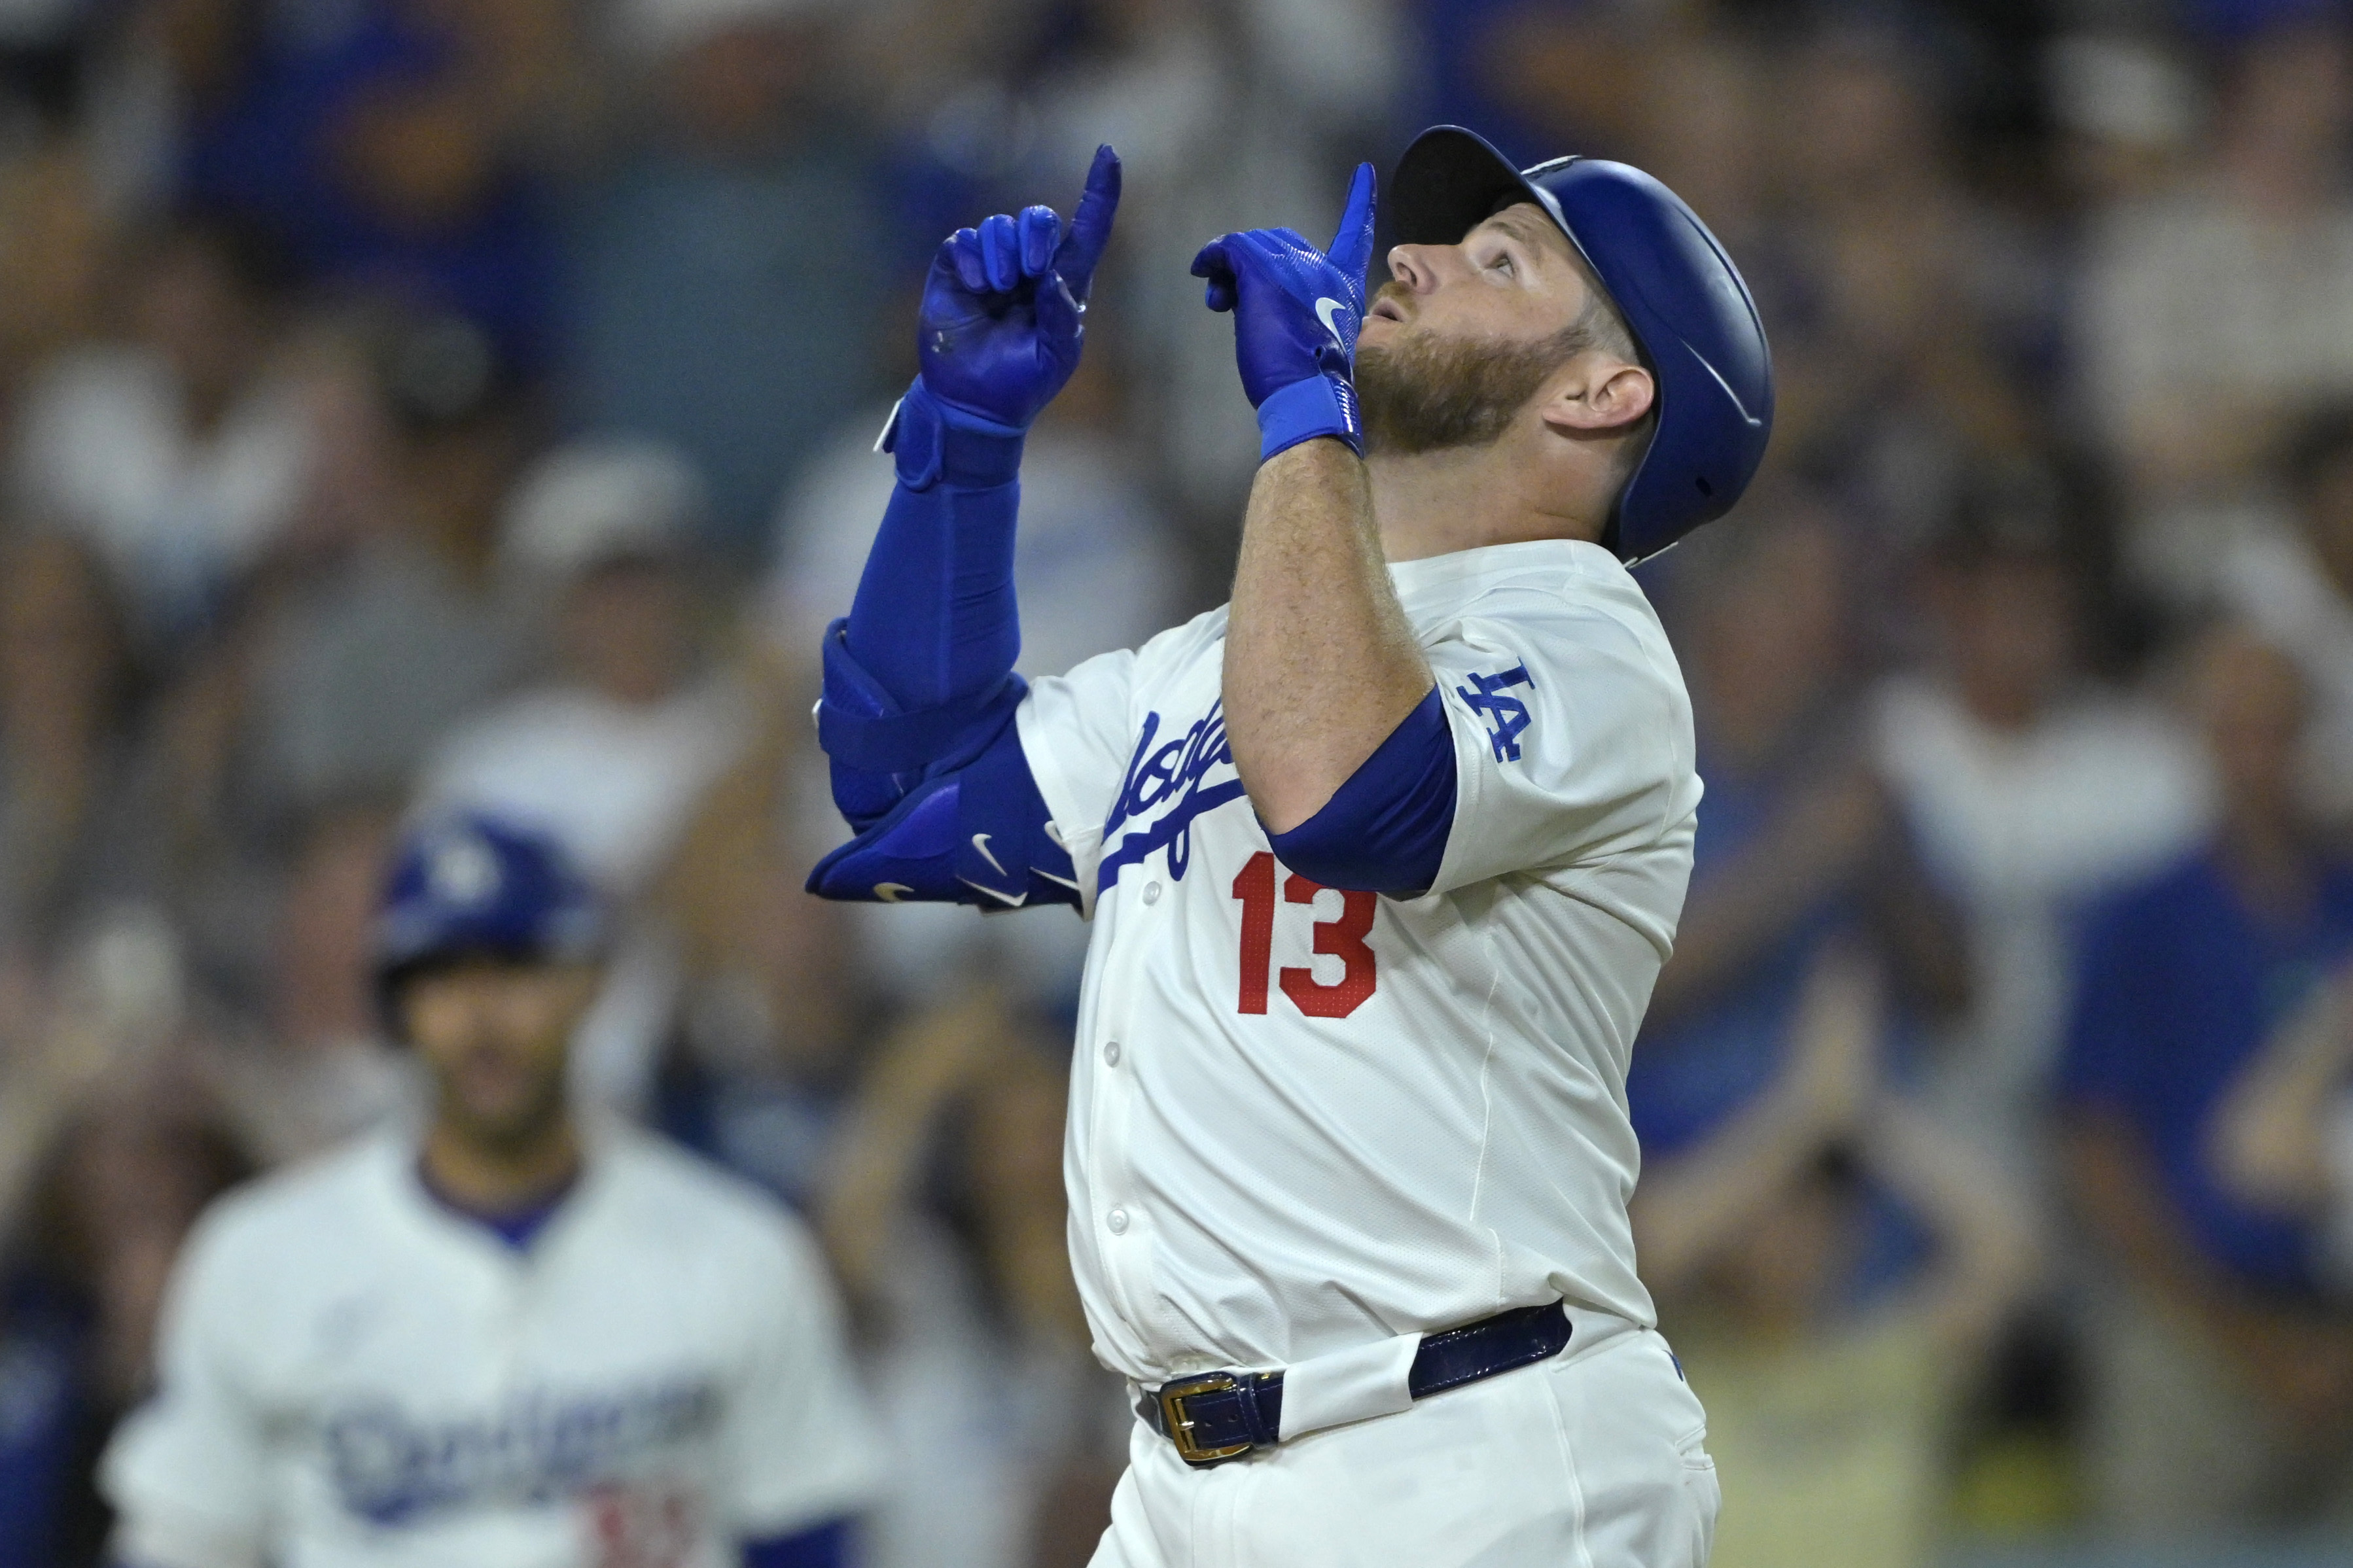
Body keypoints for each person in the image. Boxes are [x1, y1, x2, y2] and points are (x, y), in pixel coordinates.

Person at [804, 121, 1771, 1564]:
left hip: (1466, 1454)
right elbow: (909, 791)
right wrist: (964, 437)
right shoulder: (1228, 650)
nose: (1419, 257)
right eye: (1441, 240)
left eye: (1497, 260)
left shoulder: (1587, 641)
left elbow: (1340, 787)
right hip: (1183, 1483)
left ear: (1600, 389)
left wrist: (1305, 409)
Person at [99, 812, 884, 1567]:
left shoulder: (737, 1250)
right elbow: (181, 1544)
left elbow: (803, 1535)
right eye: (441, 976)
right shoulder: (260, 1256)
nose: (480, 1017)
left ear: (590, 981)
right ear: (397, 1008)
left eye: (515, 968)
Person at [2059, 627, 2353, 1531]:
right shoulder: (2143, 916)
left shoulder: (2342, 901)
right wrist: (2239, 1336)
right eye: (2234, 733)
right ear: (2201, 743)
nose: (2257, 759)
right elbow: (2095, 1149)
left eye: (2279, 732)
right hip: (2187, 1328)